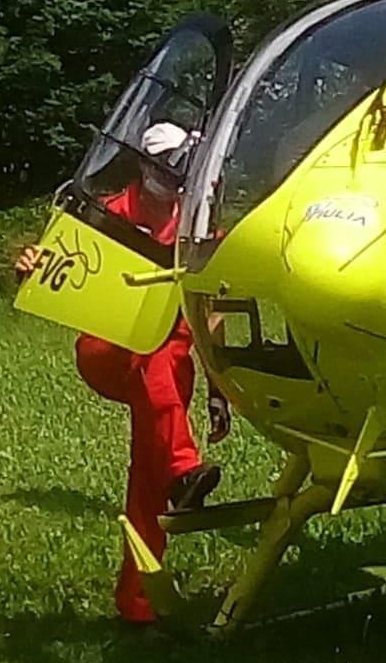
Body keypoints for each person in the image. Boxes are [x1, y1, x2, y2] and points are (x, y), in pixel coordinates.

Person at [15, 121, 227, 625]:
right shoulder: (104, 215)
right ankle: (183, 469)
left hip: (170, 370)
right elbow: (56, 266)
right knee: (149, 349)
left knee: (147, 482)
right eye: (167, 164)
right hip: (108, 350)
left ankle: (137, 603)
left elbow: (211, 313)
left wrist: (221, 390)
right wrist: (31, 267)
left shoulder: (198, 226)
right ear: (145, 166)